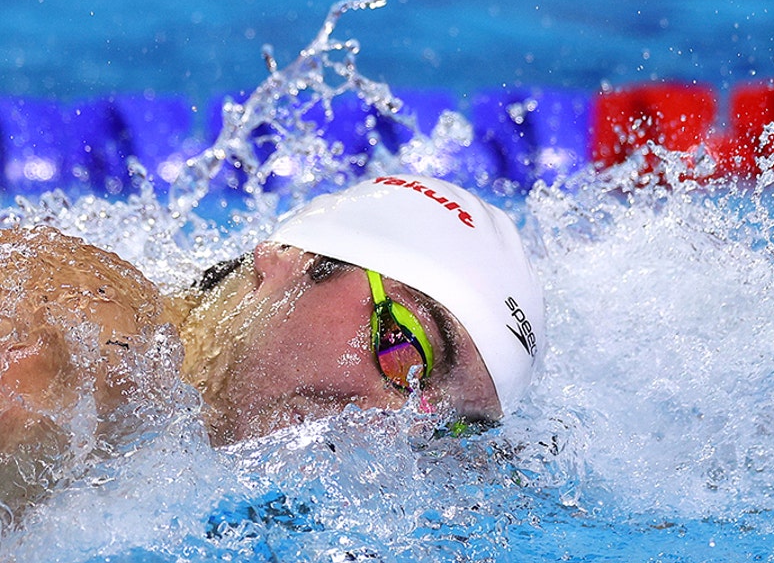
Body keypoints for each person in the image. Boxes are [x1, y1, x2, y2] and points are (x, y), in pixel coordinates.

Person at [0, 174, 545, 524]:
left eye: (442, 427)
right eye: (404, 348)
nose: (392, 424)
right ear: (288, 261)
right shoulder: (87, 343)